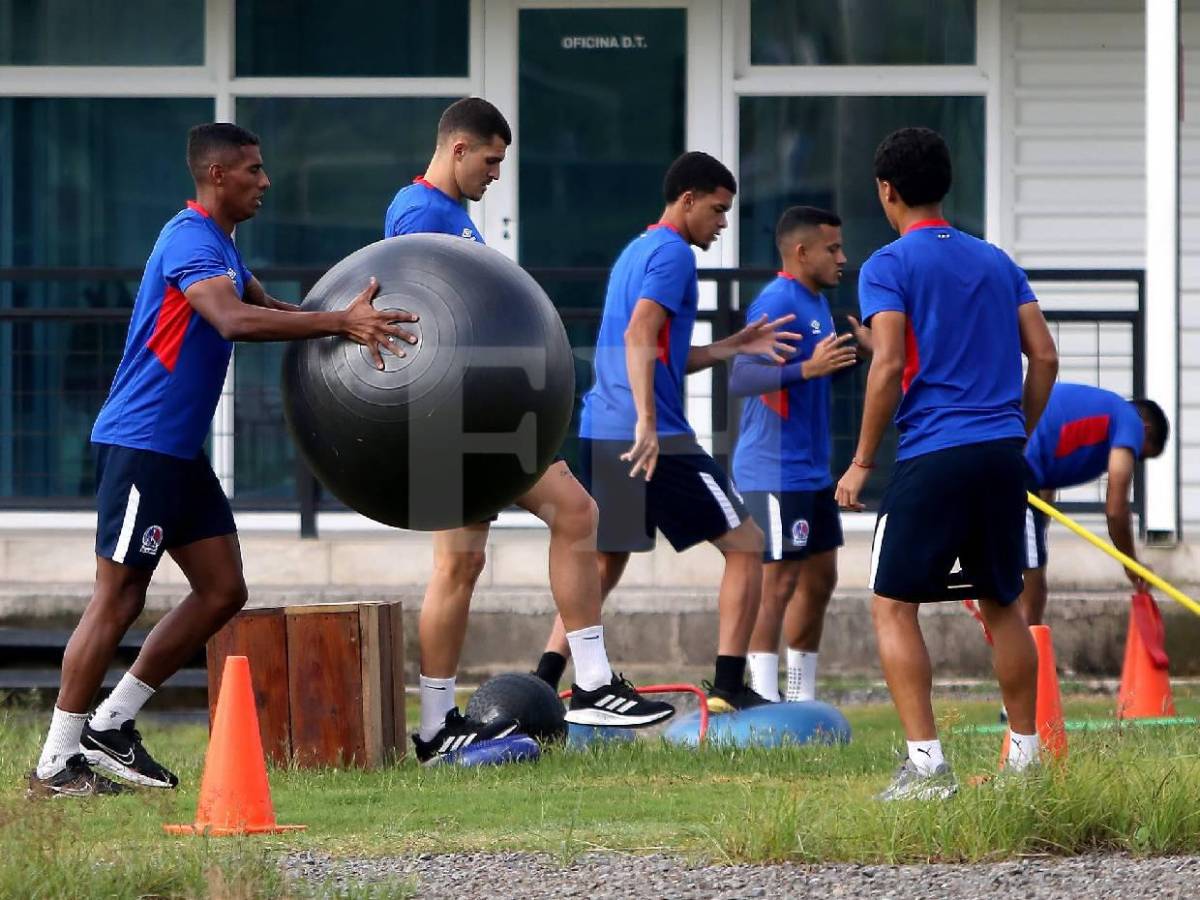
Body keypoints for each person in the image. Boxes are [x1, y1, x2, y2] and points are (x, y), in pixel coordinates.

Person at [28, 123, 415, 797]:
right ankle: (57, 760)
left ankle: (113, 725)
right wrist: (337, 324)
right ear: (216, 176)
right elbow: (233, 321)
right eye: (254, 171)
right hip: (142, 443)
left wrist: (349, 322)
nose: (266, 181)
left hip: (178, 453)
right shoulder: (188, 240)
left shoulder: (223, 248)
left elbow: (269, 307)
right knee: (118, 597)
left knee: (223, 590)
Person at [385, 98, 674, 761]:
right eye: (489, 161)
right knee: (490, 550)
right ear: (458, 149)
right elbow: (415, 307)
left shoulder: (451, 216)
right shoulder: (420, 211)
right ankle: (451, 724)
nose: (494, 176)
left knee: (548, 526)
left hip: (481, 409)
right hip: (454, 413)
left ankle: (453, 725)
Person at [835, 127, 1059, 800]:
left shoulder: (888, 265)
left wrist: (861, 461)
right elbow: (1043, 356)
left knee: (893, 604)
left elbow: (891, 361)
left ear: (887, 190)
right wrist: (1015, 432)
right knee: (1003, 602)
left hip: (934, 452)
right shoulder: (996, 260)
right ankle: (1026, 764)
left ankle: (929, 770)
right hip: (999, 453)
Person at [541, 150, 801, 713]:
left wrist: (731, 347)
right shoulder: (674, 254)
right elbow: (639, 336)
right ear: (687, 201)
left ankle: (544, 681)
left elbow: (658, 355)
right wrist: (651, 424)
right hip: (651, 438)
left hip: (603, 428)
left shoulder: (637, 251)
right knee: (747, 543)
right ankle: (731, 685)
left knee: (604, 563)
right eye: (717, 209)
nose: (723, 223)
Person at [730, 206, 869, 703]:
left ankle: (800, 696)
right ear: (801, 251)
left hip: (812, 472)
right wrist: (807, 370)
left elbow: (818, 369)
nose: (843, 258)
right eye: (833, 249)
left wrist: (860, 353)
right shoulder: (776, 303)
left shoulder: (816, 305)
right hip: (773, 471)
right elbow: (742, 378)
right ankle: (763, 701)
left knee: (822, 578)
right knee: (779, 582)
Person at [1020, 384, 1168, 624]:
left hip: (1000, 452)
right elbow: (1115, 510)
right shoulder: (1130, 420)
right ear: (1145, 430)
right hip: (1016, 469)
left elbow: (1047, 475)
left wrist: (1039, 529)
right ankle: (1032, 658)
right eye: (1140, 455)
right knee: (1033, 582)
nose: (1133, 458)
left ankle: (1015, 652)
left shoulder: (1097, 412)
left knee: (1011, 576)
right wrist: (1131, 563)